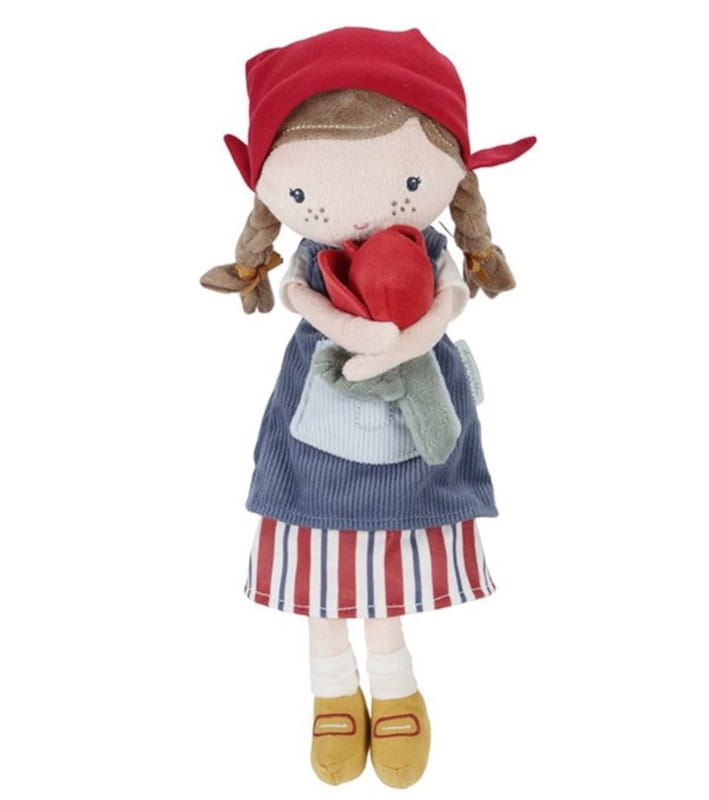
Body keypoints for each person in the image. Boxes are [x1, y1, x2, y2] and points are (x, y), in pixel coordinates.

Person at [201, 26, 535, 788]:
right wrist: (360, 336)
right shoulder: (311, 259)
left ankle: (393, 682)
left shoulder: (432, 248)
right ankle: (331, 689)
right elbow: (299, 297)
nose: (352, 206)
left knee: (386, 553)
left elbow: (450, 298)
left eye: (409, 178)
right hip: (321, 411)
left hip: (407, 406)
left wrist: (407, 339)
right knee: (320, 543)